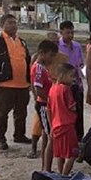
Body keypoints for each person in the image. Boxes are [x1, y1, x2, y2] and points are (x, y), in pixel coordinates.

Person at [0, 14, 31, 150]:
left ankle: (19, 135)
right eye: (10, 23)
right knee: (2, 113)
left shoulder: (22, 41)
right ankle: (0, 138)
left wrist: (29, 80)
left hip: (23, 84)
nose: (13, 25)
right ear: (3, 25)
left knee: (21, 112)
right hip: (5, 84)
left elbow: (28, 59)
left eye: (15, 22)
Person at [30, 40, 58, 171]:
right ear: (42, 53)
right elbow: (39, 90)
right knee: (49, 137)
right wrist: (52, 100)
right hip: (44, 104)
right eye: (51, 55)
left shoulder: (42, 67)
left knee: (48, 135)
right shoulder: (39, 68)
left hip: (45, 103)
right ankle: (46, 169)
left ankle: (45, 167)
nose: (52, 58)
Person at [47, 63, 78, 175]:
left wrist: (51, 126)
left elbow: (48, 109)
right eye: (71, 76)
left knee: (60, 154)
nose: (73, 79)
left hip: (56, 126)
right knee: (73, 154)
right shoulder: (66, 89)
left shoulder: (52, 89)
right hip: (67, 125)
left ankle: (61, 174)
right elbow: (72, 107)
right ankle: (65, 176)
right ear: (63, 75)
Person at [58, 21, 85, 140]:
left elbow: (81, 65)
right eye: (67, 32)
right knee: (65, 113)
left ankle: (78, 138)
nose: (70, 35)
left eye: (72, 32)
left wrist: (82, 81)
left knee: (78, 113)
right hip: (63, 86)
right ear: (61, 32)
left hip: (76, 84)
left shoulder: (77, 46)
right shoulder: (57, 46)